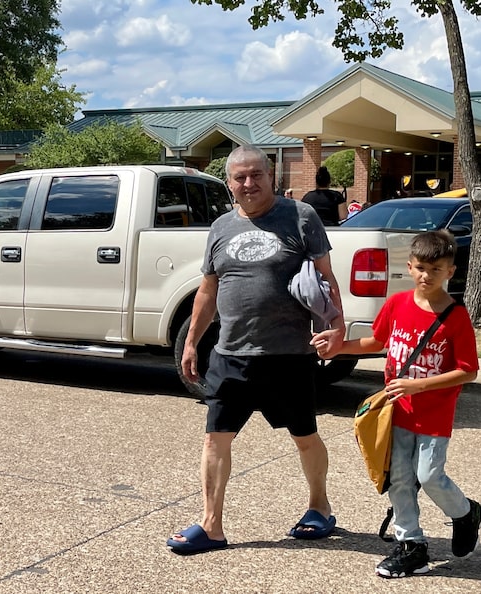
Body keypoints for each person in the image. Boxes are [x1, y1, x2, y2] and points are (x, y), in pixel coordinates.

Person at [167, 144, 345, 555]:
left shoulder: (301, 217)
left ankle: (319, 506)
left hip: (288, 354)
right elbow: (208, 289)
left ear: (271, 177)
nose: (249, 184)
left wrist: (335, 328)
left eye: (256, 175)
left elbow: (325, 278)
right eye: (240, 178)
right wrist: (192, 341)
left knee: (305, 436)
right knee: (215, 439)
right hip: (231, 353)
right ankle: (212, 526)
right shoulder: (221, 228)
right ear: (229, 183)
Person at [312, 230, 481, 578]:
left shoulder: (456, 316)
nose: (426, 275)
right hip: (398, 413)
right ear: (409, 267)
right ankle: (411, 545)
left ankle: (465, 513)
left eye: (436, 269)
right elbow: (376, 340)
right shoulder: (398, 304)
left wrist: (418, 385)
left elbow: (468, 371)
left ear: (450, 271)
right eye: (420, 267)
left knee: (429, 476)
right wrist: (338, 347)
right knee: (400, 480)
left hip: (434, 415)